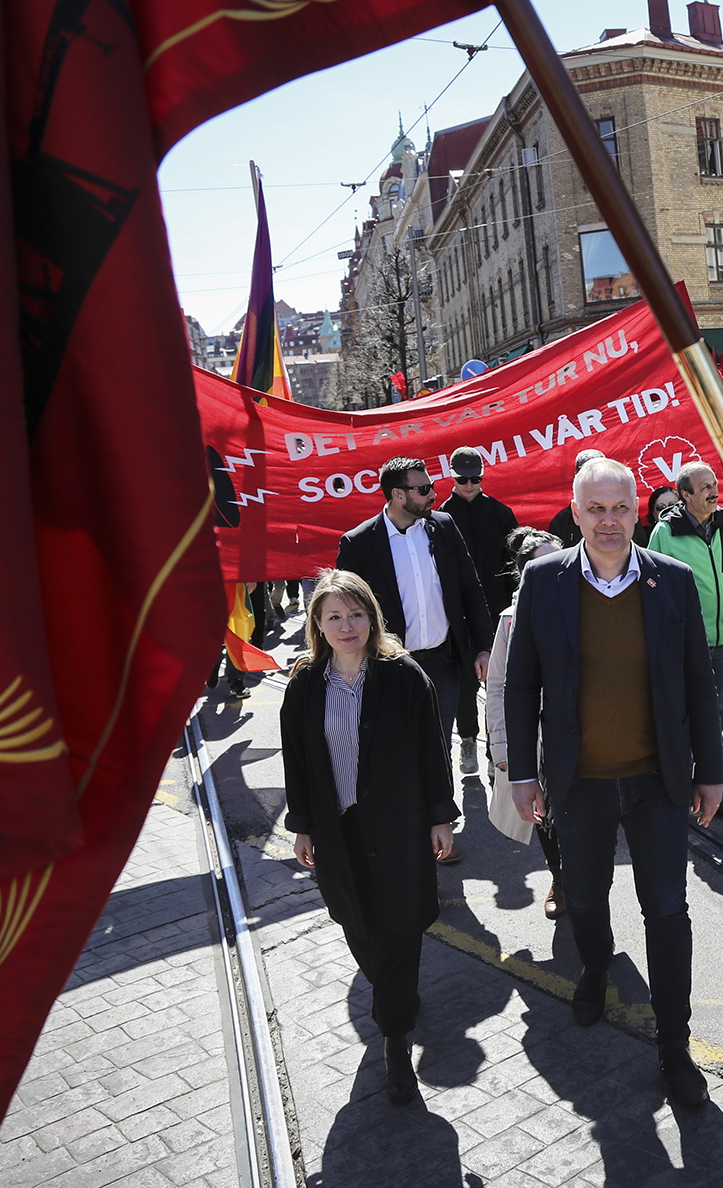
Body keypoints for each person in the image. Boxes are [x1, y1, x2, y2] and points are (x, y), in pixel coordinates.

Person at [504, 457, 723, 1108]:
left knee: (667, 911)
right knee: (590, 897)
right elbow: (521, 685)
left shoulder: (673, 582)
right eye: (595, 508)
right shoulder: (543, 582)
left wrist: (709, 771)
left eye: (619, 507)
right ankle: (596, 966)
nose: (608, 520)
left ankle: (674, 1046)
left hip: (657, 782)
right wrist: (523, 773)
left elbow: (698, 686)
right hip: (581, 784)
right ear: (575, 514)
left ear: (639, 511)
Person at [282, 570, 457, 1104]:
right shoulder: (306, 683)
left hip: (400, 825)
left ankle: (396, 1043)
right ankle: (395, 998)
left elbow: (433, 751)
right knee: (356, 922)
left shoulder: (403, 677)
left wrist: (440, 816)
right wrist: (303, 825)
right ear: (317, 623)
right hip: (338, 829)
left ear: (372, 617)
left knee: (399, 926)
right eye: (334, 616)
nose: (346, 625)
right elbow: (297, 762)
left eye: (356, 614)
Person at [335, 456, 493, 851]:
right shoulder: (360, 542)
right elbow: (342, 612)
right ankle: (402, 826)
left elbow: (470, 589)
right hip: (389, 666)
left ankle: (439, 827)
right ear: (397, 495)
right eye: (423, 489)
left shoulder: (443, 527)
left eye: (430, 487)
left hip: (443, 660)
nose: (432, 494)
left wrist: (484, 647)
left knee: (437, 744)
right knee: (396, 748)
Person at [648, 461, 723, 817]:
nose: (712, 490)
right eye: (703, 487)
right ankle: (720, 783)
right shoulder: (665, 533)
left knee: (714, 713)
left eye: (714, 483)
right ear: (685, 495)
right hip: (690, 641)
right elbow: (656, 589)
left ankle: (696, 772)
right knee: (701, 712)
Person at [486, 528, 568, 918]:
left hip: (584, 737)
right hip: (537, 740)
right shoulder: (510, 620)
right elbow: (498, 686)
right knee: (545, 814)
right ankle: (560, 877)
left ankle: (583, 881)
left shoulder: (589, 602)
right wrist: (503, 750)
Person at [442, 446, 518, 775]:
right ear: (451, 476)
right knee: (464, 685)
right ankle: (469, 740)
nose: (469, 484)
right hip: (457, 617)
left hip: (499, 613)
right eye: (463, 479)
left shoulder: (501, 514)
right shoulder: (440, 518)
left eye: (475, 478)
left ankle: (495, 750)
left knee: (499, 687)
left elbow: (516, 564)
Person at [549, 448, 609, 546]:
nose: (594, 479)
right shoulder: (562, 521)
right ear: (577, 478)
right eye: (587, 474)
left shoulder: (624, 512)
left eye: (599, 473)